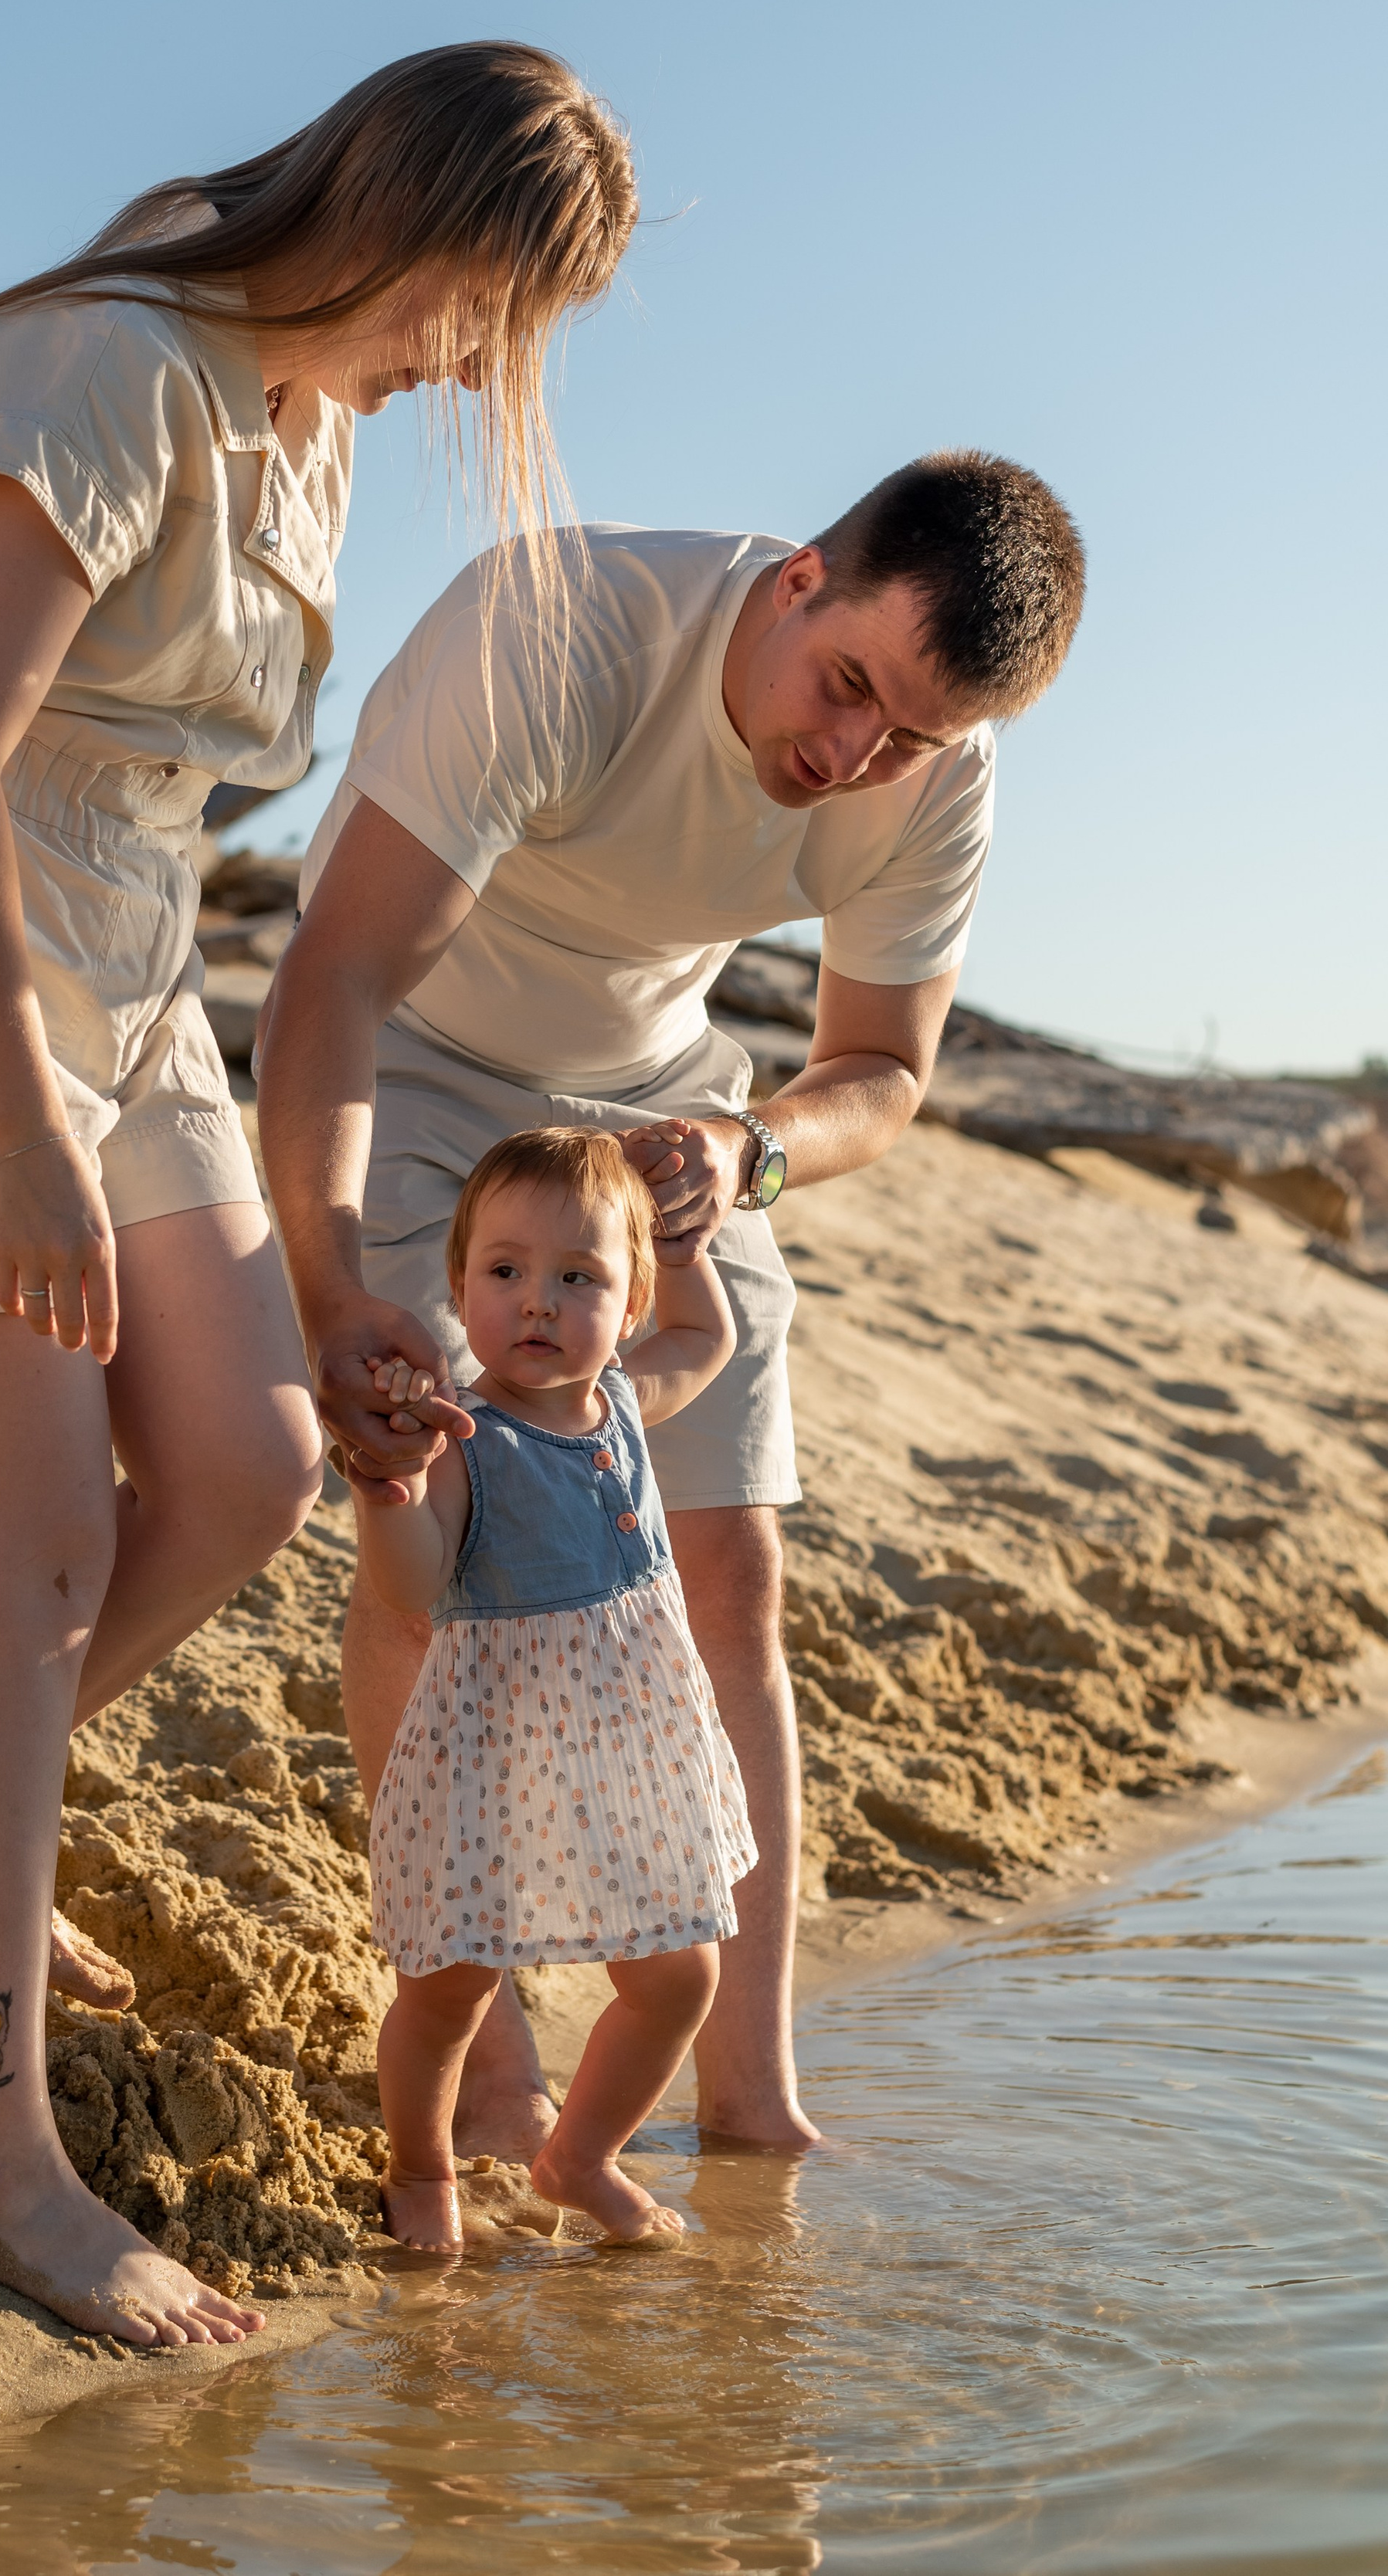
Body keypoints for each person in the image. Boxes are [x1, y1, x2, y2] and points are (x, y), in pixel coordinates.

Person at [0, 43, 638, 2345]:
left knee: (249, 1458)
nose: (473, 372)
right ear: (405, 220)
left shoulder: (304, 425)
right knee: (27, 1566)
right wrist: (24, 1127)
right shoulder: (113, 363)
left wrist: (312, 1266)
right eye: (483, 314)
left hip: (127, 942)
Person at [259, 451, 1085, 2159]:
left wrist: (747, 1148)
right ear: (797, 580)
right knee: (439, 1544)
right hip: (413, 1049)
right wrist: (329, 1283)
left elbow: (880, 1069)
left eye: (908, 738)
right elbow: (335, 973)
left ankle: (748, 2093)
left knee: (729, 1564)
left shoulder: (935, 766)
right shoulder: (564, 629)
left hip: (658, 1101)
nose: (852, 756)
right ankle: (489, 2078)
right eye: (845, 686)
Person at [355, 1127, 755, 2251]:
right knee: (453, 1985)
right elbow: (413, 1587)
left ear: (628, 1308)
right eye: (506, 1270)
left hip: (629, 1754)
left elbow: (709, 1334)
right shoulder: (460, 1436)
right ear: (459, 1287)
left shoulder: (622, 1397)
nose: (538, 1300)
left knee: (679, 1975)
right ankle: (419, 2163)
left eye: (580, 1277)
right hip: (497, 1754)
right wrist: (390, 1487)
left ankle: (579, 2157)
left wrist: (681, 1244)